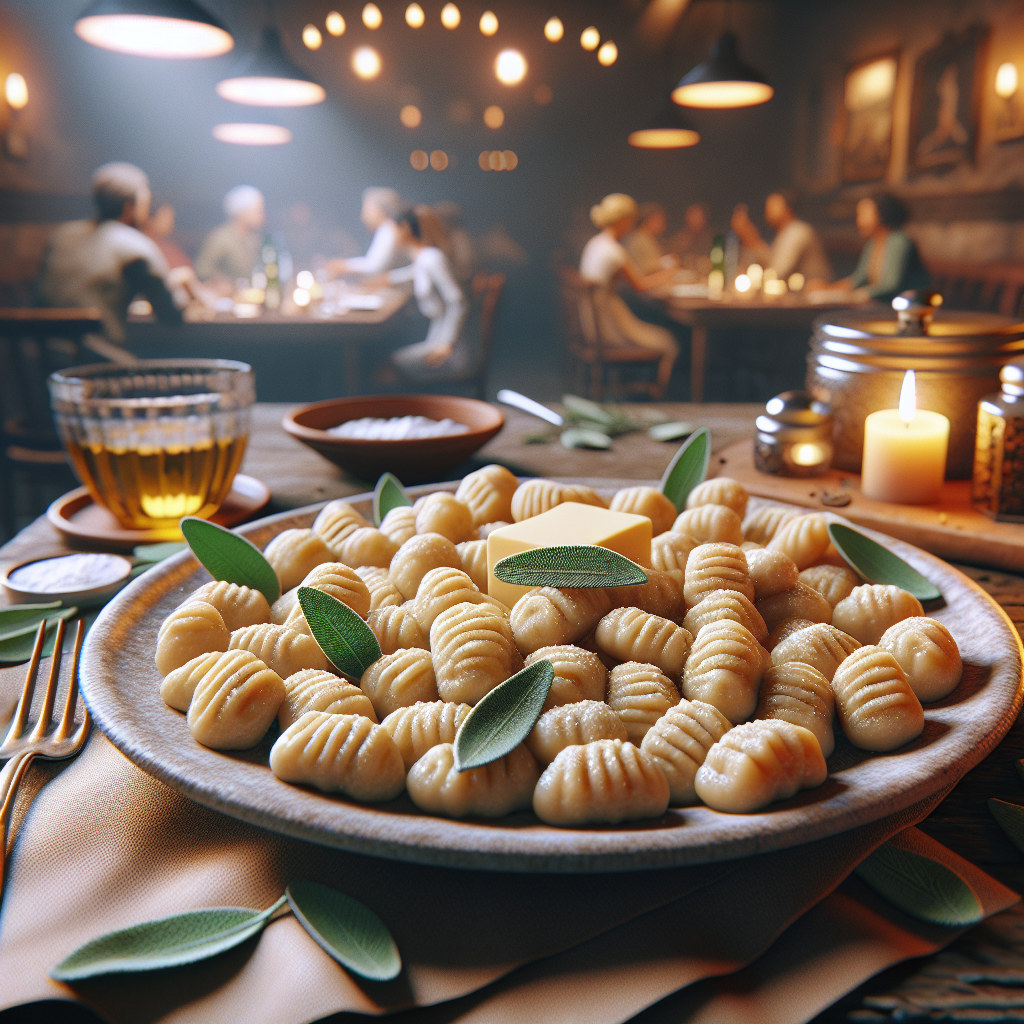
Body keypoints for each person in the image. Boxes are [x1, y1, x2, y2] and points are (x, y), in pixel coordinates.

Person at [37, 162, 181, 342]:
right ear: (130, 207)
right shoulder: (135, 245)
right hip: (98, 364)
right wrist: (178, 286)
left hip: (40, 357)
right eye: (145, 202)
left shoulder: (60, 236)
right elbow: (171, 315)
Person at [578, 193, 679, 398]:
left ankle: (645, 391)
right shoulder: (614, 252)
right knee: (669, 343)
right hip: (607, 327)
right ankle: (661, 398)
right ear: (623, 220)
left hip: (590, 323)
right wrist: (670, 273)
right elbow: (640, 286)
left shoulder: (595, 244)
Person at [385, 206, 468, 375]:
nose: (389, 236)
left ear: (405, 228)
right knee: (389, 361)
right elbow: (409, 274)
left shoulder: (432, 258)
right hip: (437, 340)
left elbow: (459, 302)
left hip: (448, 350)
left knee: (387, 368)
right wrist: (383, 280)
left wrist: (447, 343)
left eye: (391, 229)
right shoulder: (423, 259)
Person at [822, 195, 930, 303]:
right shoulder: (872, 243)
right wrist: (829, 288)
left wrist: (857, 295)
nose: (859, 220)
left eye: (863, 214)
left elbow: (890, 286)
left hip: (911, 307)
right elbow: (859, 278)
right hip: (885, 306)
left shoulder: (899, 241)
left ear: (881, 214)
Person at [731, 192, 832, 284]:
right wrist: (751, 240)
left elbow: (778, 272)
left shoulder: (797, 231)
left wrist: (752, 239)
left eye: (774, 206)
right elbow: (771, 265)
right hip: (800, 296)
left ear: (788, 209)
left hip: (817, 296)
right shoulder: (783, 233)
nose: (768, 210)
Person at [328, 187, 410, 277]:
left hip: (398, 290)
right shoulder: (387, 228)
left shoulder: (389, 229)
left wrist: (343, 266)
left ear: (379, 210)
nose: (363, 215)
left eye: (366, 209)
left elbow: (374, 267)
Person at [194, 185, 265, 289]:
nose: (262, 215)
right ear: (242, 211)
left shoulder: (254, 238)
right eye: (257, 210)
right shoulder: (221, 237)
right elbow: (202, 269)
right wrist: (220, 282)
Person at [623, 202, 675, 275]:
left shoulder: (648, 237)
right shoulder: (637, 239)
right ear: (649, 220)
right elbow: (644, 269)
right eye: (659, 220)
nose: (663, 223)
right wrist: (666, 262)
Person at [668, 203, 714, 275]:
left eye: (697, 216)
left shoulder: (711, 238)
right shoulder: (680, 238)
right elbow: (671, 259)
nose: (694, 219)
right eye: (691, 216)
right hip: (683, 278)